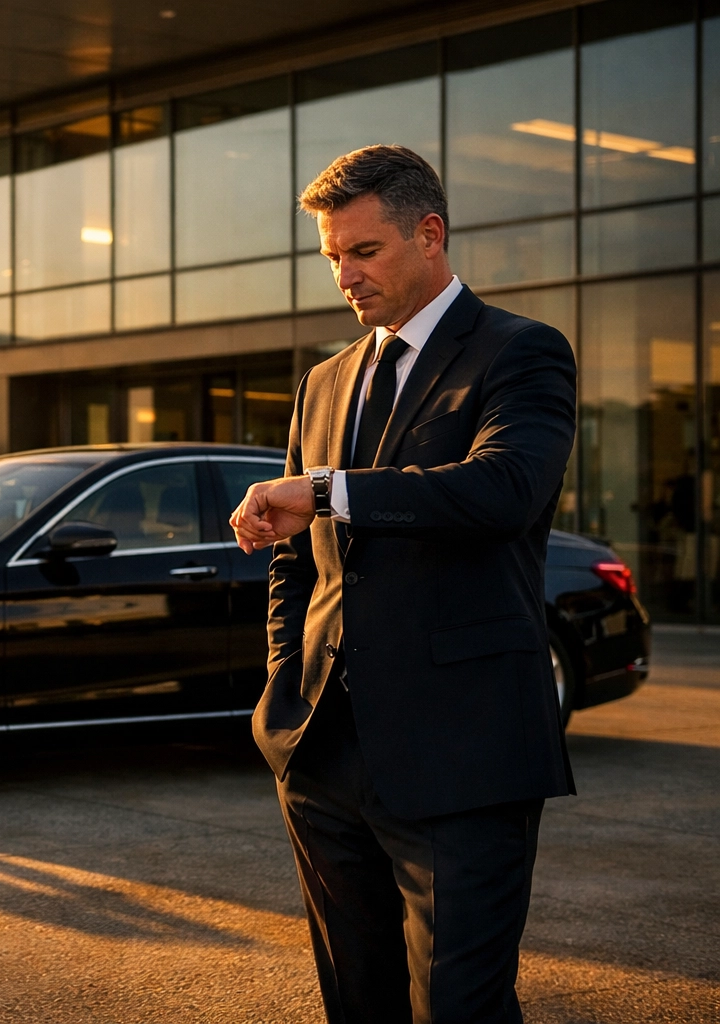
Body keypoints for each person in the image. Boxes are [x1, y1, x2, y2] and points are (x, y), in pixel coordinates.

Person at [229, 145, 576, 1024]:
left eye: (364, 251)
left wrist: (324, 490)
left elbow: (503, 489)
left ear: (429, 234)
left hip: (464, 752)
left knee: (459, 1008)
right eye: (332, 256)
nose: (345, 275)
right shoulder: (323, 382)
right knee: (359, 1004)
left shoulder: (521, 352)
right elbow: (295, 562)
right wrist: (283, 685)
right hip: (321, 752)